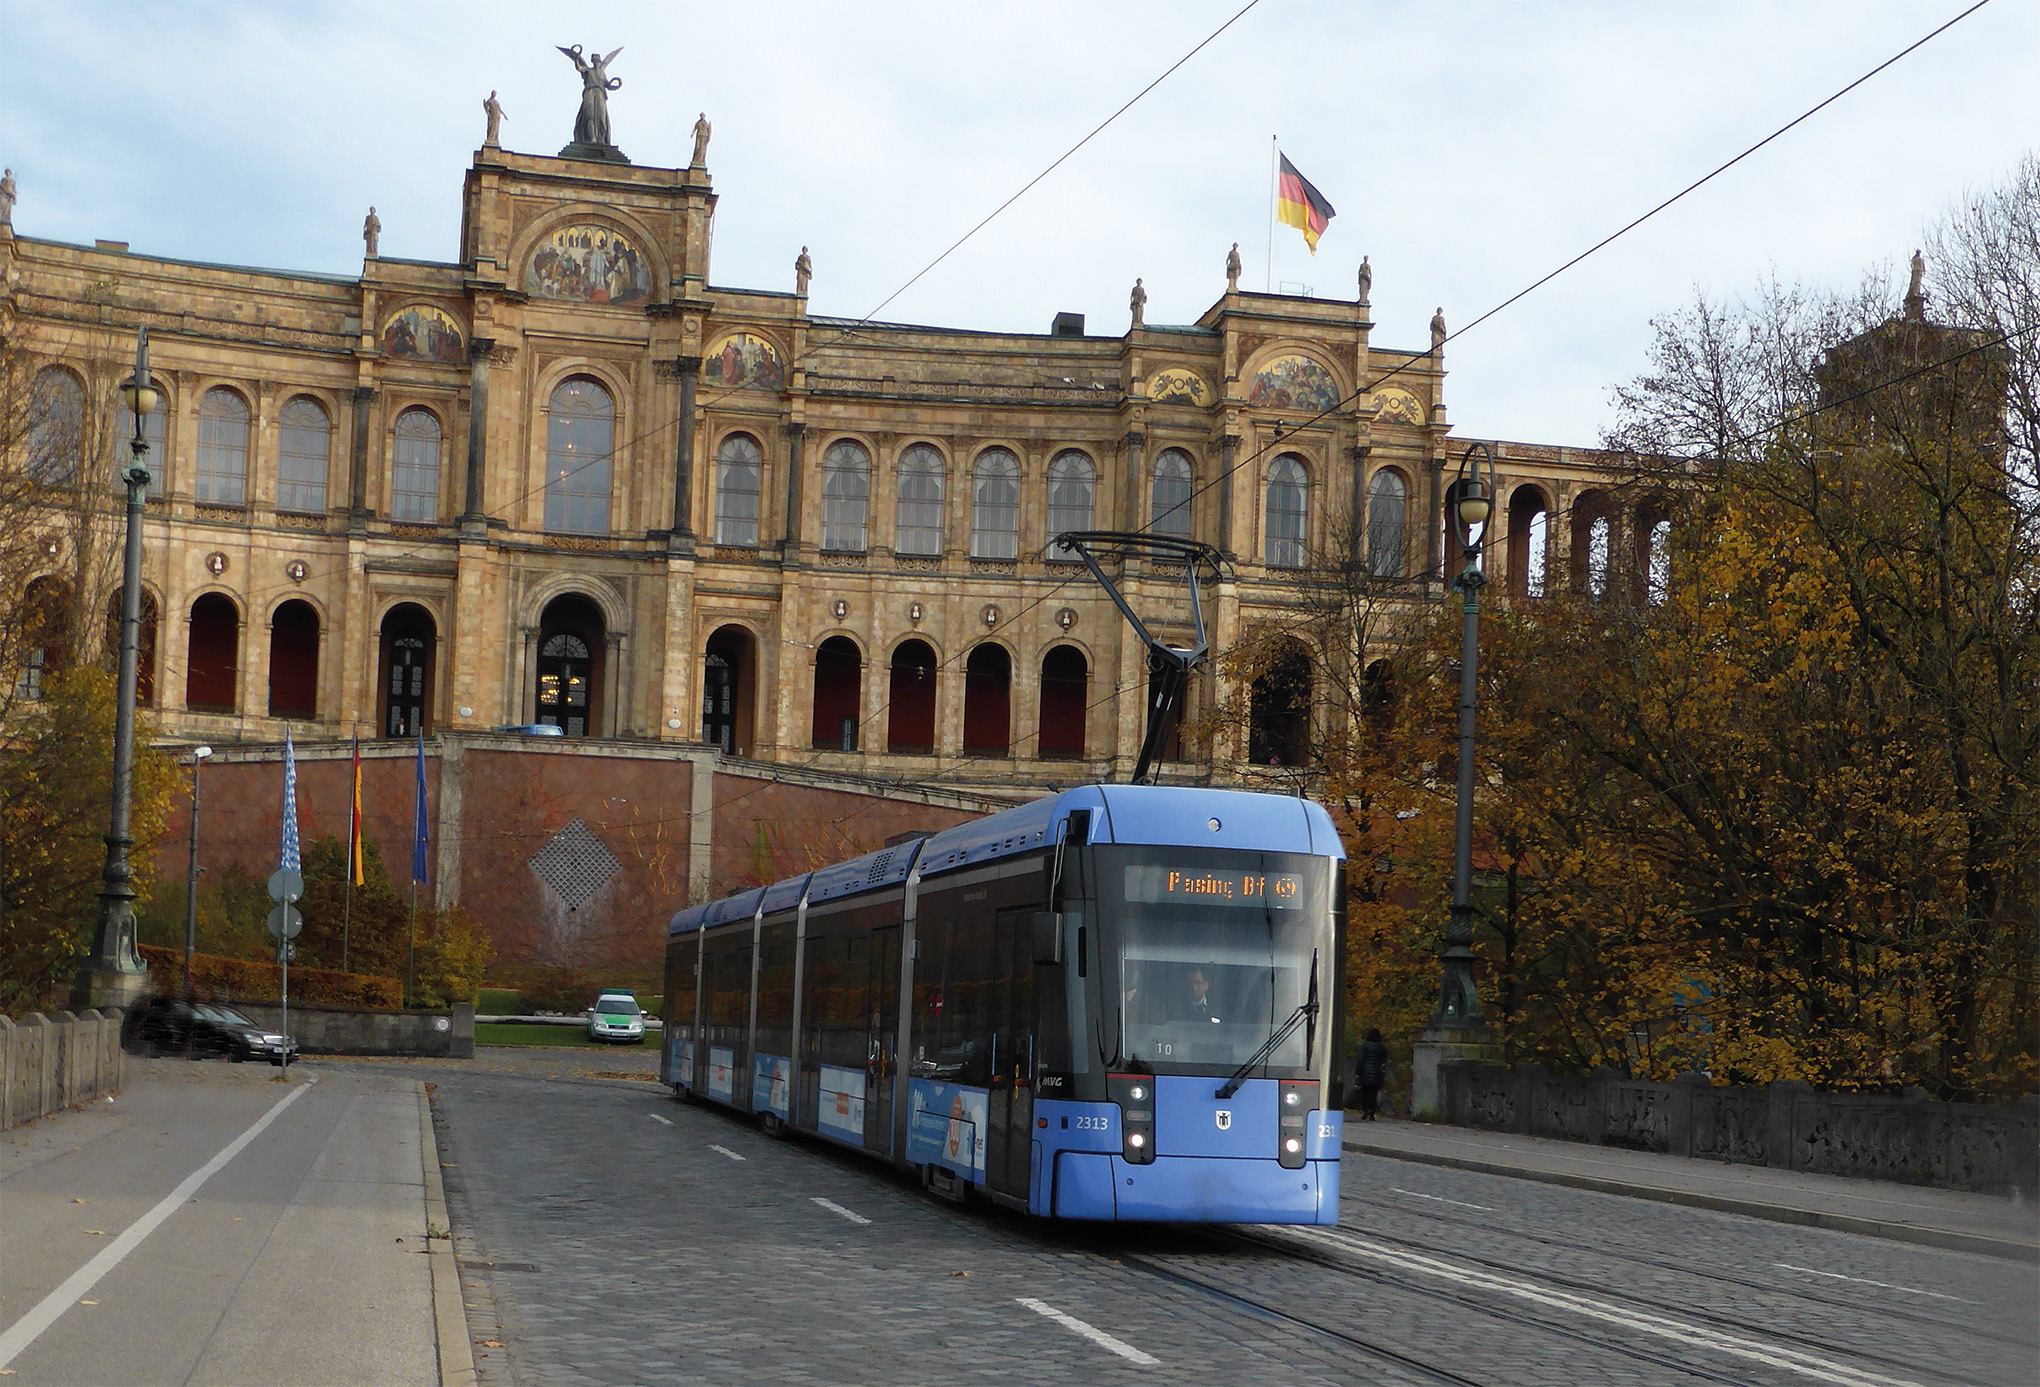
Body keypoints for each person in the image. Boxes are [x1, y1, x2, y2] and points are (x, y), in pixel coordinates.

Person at [1353, 1027, 1388, 1120]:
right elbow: (1384, 1061)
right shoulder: (1382, 1047)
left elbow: (1360, 1059)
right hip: (1377, 1073)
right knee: (1373, 1094)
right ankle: (1372, 1112)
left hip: (1365, 1073)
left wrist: (1357, 1072)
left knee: (1365, 1093)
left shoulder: (1364, 1045)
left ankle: (1365, 1110)